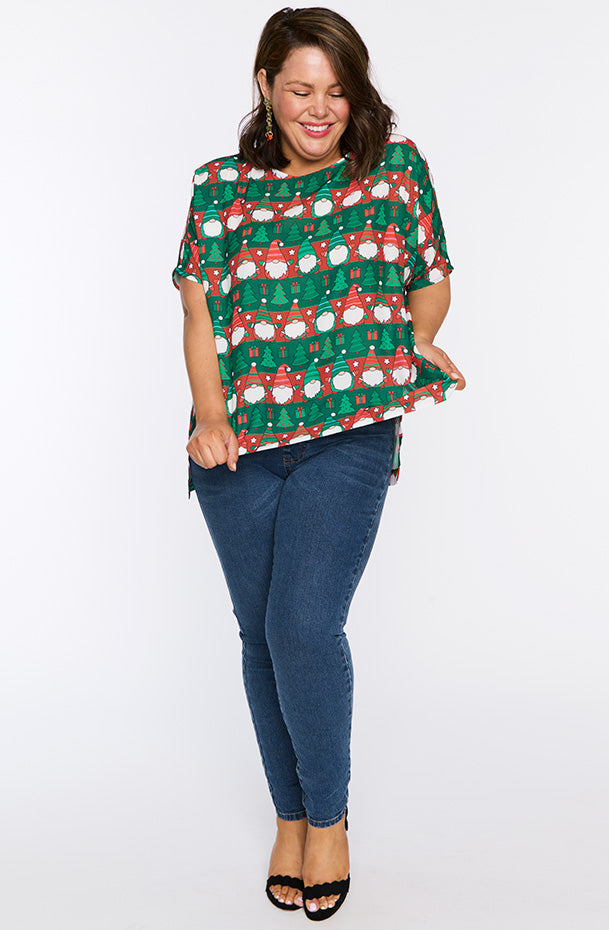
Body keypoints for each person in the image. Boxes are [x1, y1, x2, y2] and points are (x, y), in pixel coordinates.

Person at [171, 6, 466, 920]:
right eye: (300, 89)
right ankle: (289, 817)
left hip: (349, 434)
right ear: (265, 87)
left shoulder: (395, 170)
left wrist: (410, 343)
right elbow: (199, 314)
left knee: (303, 625)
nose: (319, 109)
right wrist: (211, 420)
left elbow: (429, 280)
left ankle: (329, 821)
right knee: (260, 634)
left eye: (336, 91)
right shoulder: (219, 188)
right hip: (239, 449)